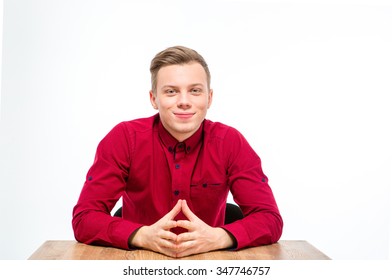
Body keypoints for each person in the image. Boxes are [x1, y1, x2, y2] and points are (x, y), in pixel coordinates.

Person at [72, 46, 283, 258]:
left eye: (195, 90)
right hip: (140, 263)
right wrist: (141, 235)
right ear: (154, 99)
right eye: (171, 91)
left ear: (209, 98)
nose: (184, 101)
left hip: (210, 263)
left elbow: (269, 218)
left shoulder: (230, 142)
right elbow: (85, 218)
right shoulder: (124, 139)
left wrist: (219, 237)